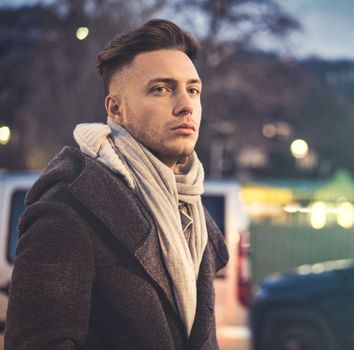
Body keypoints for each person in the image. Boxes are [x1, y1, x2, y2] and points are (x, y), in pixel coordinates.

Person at [5, 19, 228, 350]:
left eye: (193, 90)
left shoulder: (193, 216)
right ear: (116, 109)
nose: (185, 105)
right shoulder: (68, 209)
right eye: (161, 89)